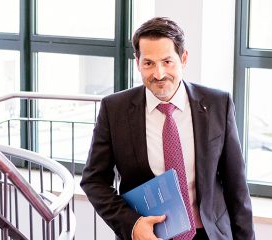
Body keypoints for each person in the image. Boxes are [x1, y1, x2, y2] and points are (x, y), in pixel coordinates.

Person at [80, 17, 255, 240]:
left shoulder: (217, 104)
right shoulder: (115, 110)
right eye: (149, 63)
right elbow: (94, 180)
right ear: (137, 62)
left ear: (183, 58)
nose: (159, 74)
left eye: (167, 61)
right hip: (149, 235)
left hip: (209, 234)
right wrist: (133, 225)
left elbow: (236, 187)